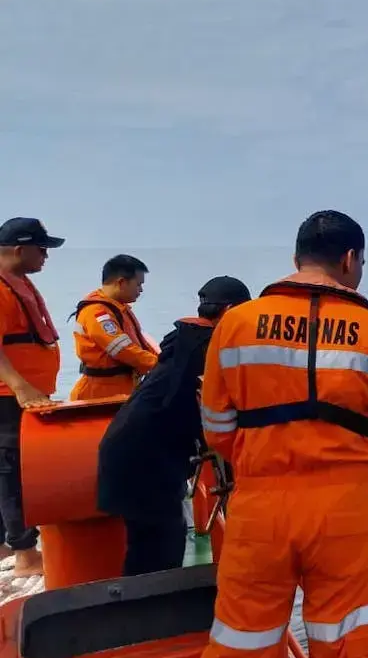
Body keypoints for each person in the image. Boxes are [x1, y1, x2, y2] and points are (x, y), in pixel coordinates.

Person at [198, 210, 368, 658]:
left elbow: (217, 425)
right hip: (344, 514)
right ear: (350, 259)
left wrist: (258, 467)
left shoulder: (234, 325)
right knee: (347, 641)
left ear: (295, 258)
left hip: (259, 509)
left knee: (242, 639)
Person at [96, 276, 252, 577]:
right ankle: (147, 617)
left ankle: (141, 612)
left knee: (152, 543)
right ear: (231, 311)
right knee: (161, 547)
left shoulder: (186, 340)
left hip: (128, 450)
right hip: (145, 460)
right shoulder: (209, 350)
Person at [0, 217, 65, 577]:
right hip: (9, 395)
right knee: (10, 471)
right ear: (18, 249)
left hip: (21, 395)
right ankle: (25, 554)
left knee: (8, 469)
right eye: (41, 249)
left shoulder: (18, 284)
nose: (46, 256)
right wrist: (22, 387)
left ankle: (7, 545)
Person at [68, 254, 158, 401]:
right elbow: (123, 349)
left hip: (123, 389)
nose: (140, 290)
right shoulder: (97, 313)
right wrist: (160, 366)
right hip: (100, 393)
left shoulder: (119, 309)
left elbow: (139, 344)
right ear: (122, 282)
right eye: (138, 284)